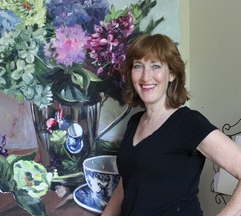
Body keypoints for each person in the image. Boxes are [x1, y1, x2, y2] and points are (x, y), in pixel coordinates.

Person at [101, 33, 241, 216]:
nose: (146, 76)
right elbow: (126, 185)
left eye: (155, 66)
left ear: (172, 74)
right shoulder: (134, 122)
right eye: (138, 66)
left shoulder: (188, 123)